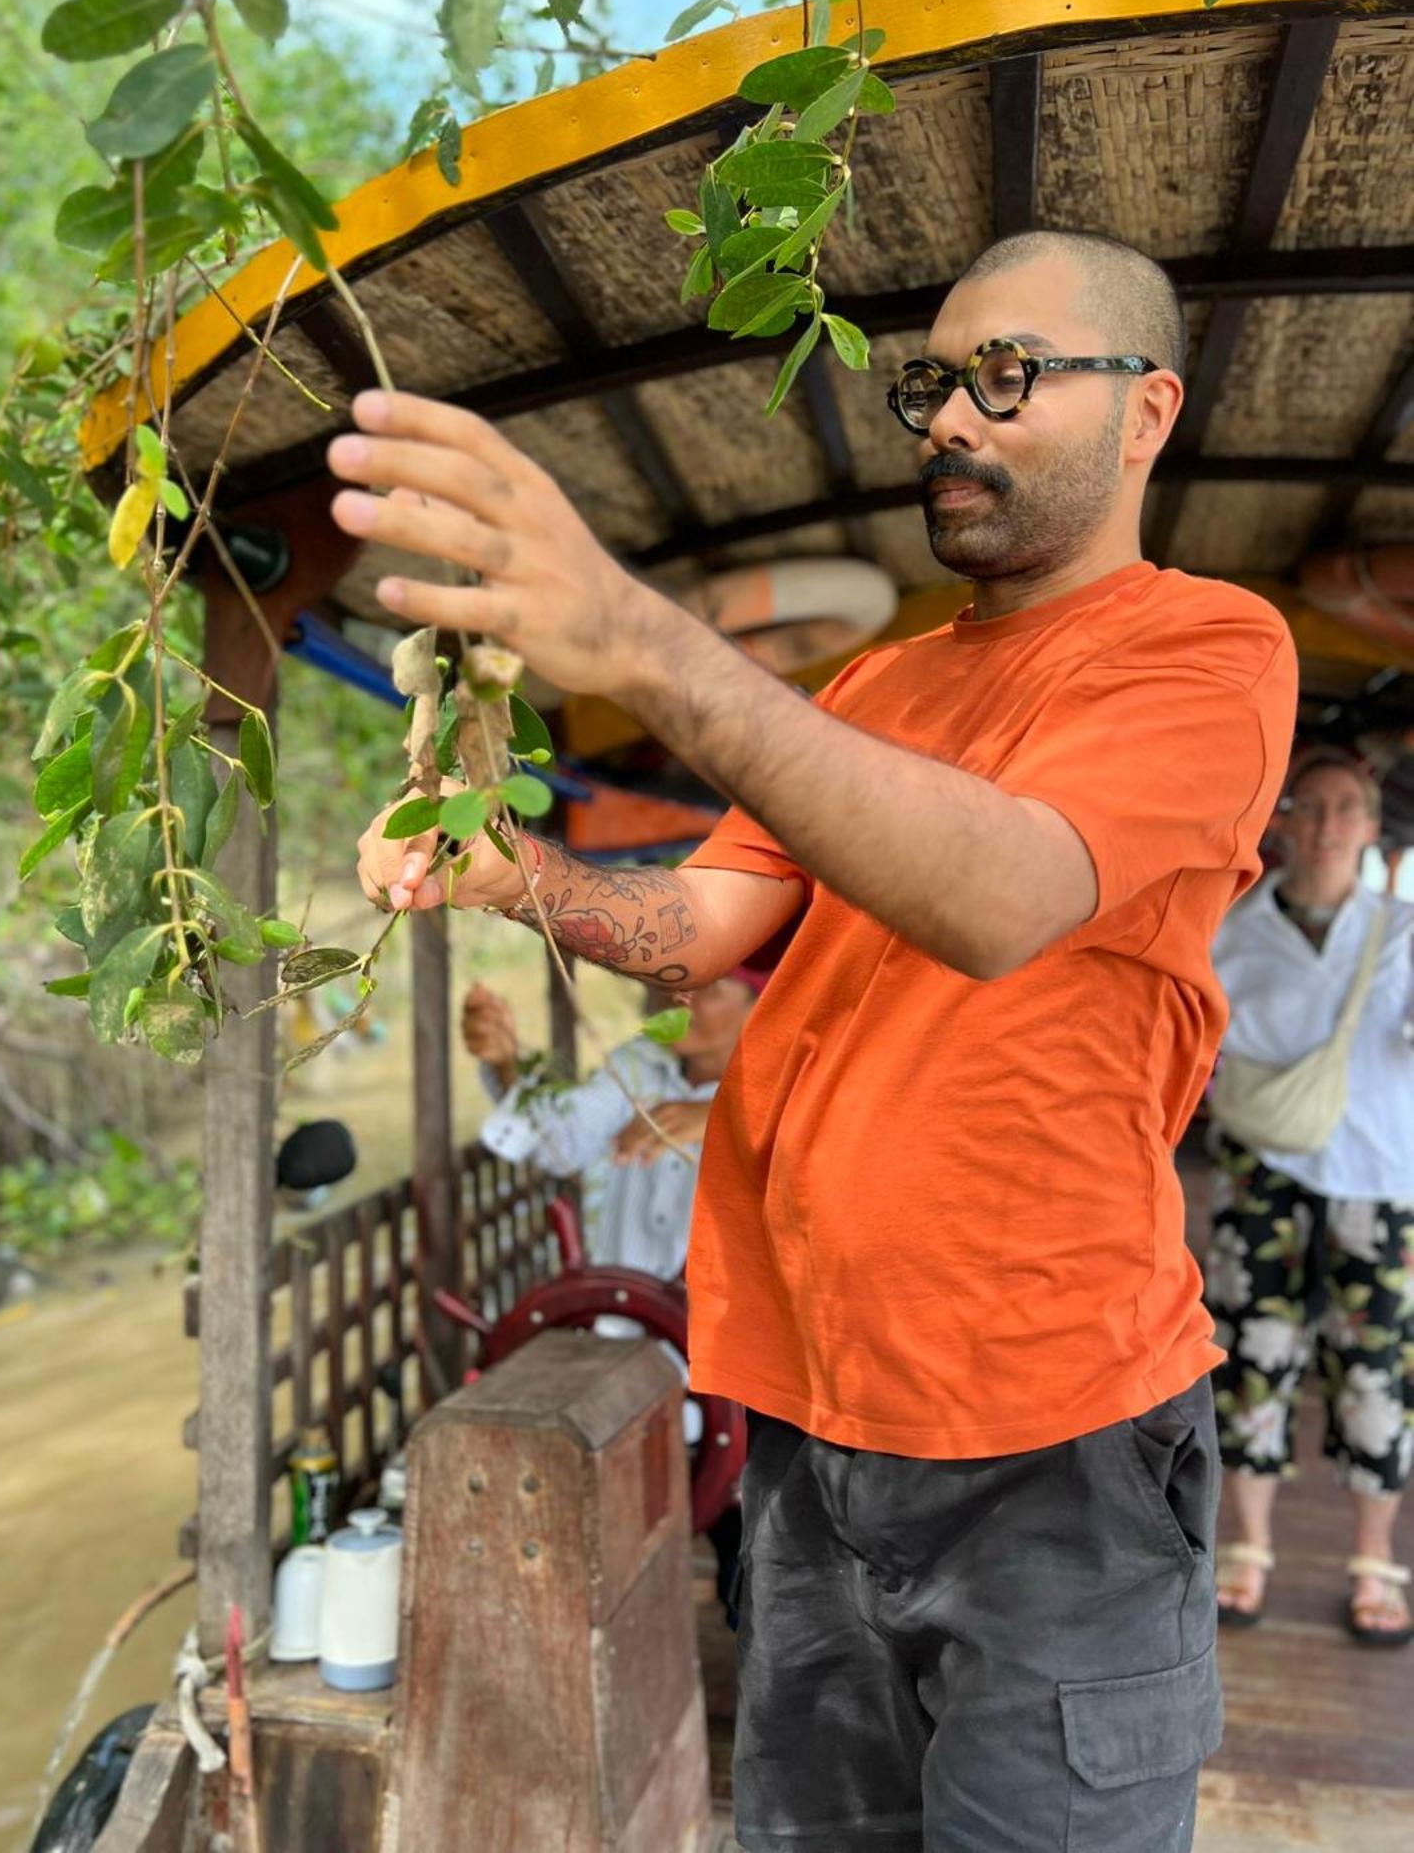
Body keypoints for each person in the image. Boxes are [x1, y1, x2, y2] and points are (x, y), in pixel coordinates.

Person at [333, 228, 1299, 1851]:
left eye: (1008, 376)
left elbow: (1000, 897)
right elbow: (693, 930)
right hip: (800, 1419)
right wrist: (523, 873)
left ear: (1146, 413)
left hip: (1052, 1442)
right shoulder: (863, 693)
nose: (947, 420)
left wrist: (642, 640)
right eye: (933, 383)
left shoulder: (1210, 652)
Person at [1208, 749, 1414, 1646]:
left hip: (1382, 1185)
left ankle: (1375, 1561)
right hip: (1264, 1179)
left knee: (1378, 1380)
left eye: (1347, 811)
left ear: (1372, 831)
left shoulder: (1403, 932)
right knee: (1254, 1364)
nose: (1328, 826)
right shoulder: (1230, 929)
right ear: (1285, 824)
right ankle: (1247, 1551)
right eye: (1313, 809)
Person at [460, 971, 760, 1281]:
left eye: (708, 988)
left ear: (763, 1006)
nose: (679, 996)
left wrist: (732, 1121)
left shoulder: (790, 1101)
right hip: (627, 1316)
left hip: (733, 1326)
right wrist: (506, 1065)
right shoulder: (637, 1065)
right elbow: (561, 1142)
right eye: (677, 978)